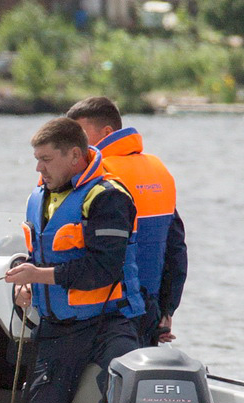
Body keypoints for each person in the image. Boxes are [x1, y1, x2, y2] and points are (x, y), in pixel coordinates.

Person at [5, 116, 144, 403]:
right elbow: (35, 255)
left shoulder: (108, 197)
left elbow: (103, 269)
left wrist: (38, 276)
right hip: (58, 330)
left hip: (108, 324)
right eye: (37, 160)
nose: (39, 168)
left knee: (130, 401)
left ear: (75, 156)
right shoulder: (37, 197)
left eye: (46, 159)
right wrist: (23, 282)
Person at [67, 96, 188, 345]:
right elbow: (176, 249)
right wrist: (167, 310)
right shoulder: (159, 170)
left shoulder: (94, 174)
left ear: (107, 132)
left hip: (102, 312)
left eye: (79, 134)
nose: (73, 144)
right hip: (149, 311)